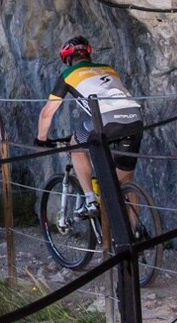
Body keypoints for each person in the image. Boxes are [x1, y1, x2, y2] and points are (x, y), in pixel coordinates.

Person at [35, 36, 146, 220]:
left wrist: (41, 139)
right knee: (125, 181)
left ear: (68, 60)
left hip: (105, 120)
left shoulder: (68, 74)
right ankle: (135, 232)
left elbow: (47, 112)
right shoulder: (108, 69)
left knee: (76, 146)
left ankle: (90, 200)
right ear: (88, 53)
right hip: (134, 119)